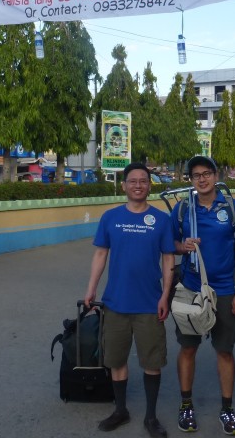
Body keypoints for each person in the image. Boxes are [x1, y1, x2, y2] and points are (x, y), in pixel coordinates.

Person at [85, 162, 174, 438]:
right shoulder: (110, 217)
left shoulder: (161, 220)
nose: (138, 185)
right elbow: (101, 255)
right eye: (132, 181)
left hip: (149, 303)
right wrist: (91, 289)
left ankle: (150, 416)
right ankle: (120, 410)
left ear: (149, 185)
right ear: (124, 185)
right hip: (116, 302)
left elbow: (169, 258)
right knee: (116, 359)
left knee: (152, 361)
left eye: (143, 181)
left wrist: (165, 296)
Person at [172, 156, 235, 435]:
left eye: (207, 173)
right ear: (191, 180)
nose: (202, 179)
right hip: (191, 290)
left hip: (225, 291)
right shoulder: (183, 209)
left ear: (216, 175)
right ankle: (186, 405)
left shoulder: (232, 208)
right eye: (196, 175)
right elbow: (169, 243)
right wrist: (183, 246)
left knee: (225, 351)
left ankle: (227, 410)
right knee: (188, 348)